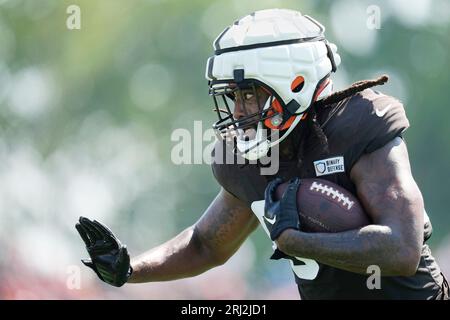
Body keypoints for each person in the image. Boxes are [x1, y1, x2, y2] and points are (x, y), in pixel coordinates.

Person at [75, 9, 448, 299]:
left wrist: (298, 242)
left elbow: (402, 249)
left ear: (294, 84)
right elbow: (205, 244)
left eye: (249, 93)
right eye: (234, 97)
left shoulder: (358, 123)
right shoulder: (249, 158)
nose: (238, 111)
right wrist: (130, 270)